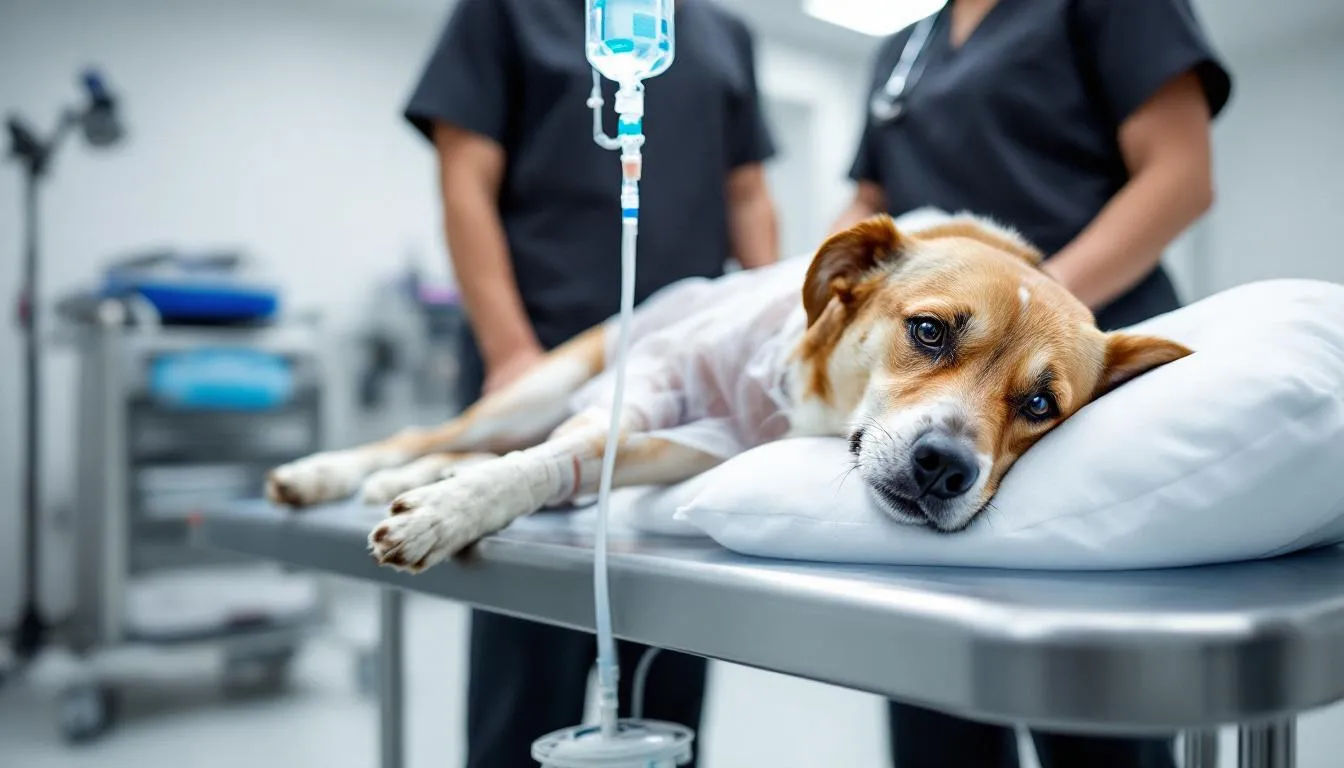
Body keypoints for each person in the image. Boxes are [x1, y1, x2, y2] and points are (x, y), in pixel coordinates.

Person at [832, 0, 1232, 766]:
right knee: (935, 723)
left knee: (1097, 723)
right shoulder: (905, 46)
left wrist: (1036, 319)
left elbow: (1180, 174)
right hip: (941, 356)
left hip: (1085, 388)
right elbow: (869, 201)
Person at [402, 1, 780, 766]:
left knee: (663, 691)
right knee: (523, 689)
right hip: (539, 383)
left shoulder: (722, 33)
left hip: (677, 409)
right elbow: (464, 180)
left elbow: (745, 194)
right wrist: (513, 359)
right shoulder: (506, 12)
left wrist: (766, 331)